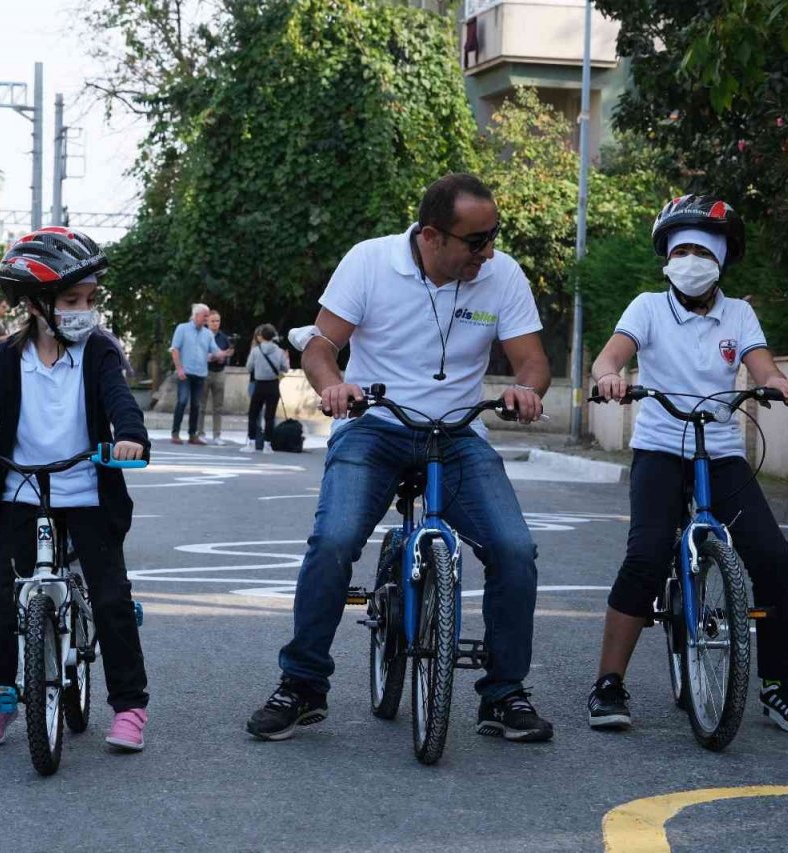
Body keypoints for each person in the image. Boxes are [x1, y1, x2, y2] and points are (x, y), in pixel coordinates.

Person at [245, 173, 555, 743]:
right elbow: (320, 345)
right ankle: (303, 683)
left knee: (515, 550)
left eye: (494, 237)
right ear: (433, 236)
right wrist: (334, 385)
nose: (488, 252)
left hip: (459, 433)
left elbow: (531, 359)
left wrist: (526, 389)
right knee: (334, 540)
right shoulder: (370, 262)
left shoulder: (501, 274)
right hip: (375, 425)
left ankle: (505, 693)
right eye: (476, 241)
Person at [585, 194, 788, 736]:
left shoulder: (738, 313)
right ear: (667, 257)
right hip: (662, 447)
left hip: (720, 450)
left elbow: (762, 365)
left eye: (702, 250)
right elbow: (610, 355)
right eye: (681, 249)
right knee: (645, 556)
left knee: (771, 556)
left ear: (720, 259)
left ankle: (780, 685)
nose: (690, 259)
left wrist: (778, 382)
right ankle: (608, 684)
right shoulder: (646, 307)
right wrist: (608, 377)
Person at [0, 226, 153, 752]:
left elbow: (119, 400)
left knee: (111, 598)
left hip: (86, 494)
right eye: (72, 300)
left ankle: (129, 707)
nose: (85, 309)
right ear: (35, 305)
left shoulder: (99, 351)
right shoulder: (9, 357)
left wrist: (128, 437)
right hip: (19, 493)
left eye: (90, 299)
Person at [169, 303, 221, 445]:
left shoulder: (208, 333)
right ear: (196, 315)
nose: (207, 319)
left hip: (200, 373)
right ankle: (175, 433)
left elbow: (214, 350)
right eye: (205, 316)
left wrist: (221, 354)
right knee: (182, 401)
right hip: (185, 373)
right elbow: (175, 349)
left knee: (196, 405)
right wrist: (179, 368)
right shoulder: (182, 328)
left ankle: (193, 434)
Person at [242, 323, 289, 454]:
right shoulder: (279, 351)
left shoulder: (256, 351)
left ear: (261, 336)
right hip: (273, 385)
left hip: (259, 384)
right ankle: (268, 445)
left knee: (253, 414)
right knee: (270, 416)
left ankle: (251, 443)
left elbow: (248, 367)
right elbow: (285, 368)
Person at [201, 310, 235, 443]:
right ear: (207, 322)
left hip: (219, 371)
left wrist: (223, 357)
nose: (216, 323)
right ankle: (200, 433)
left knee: (218, 406)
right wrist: (215, 355)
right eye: (213, 321)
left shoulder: (223, 337)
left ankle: (217, 435)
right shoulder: (202, 336)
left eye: (218, 321)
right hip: (205, 371)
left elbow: (227, 353)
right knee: (201, 405)